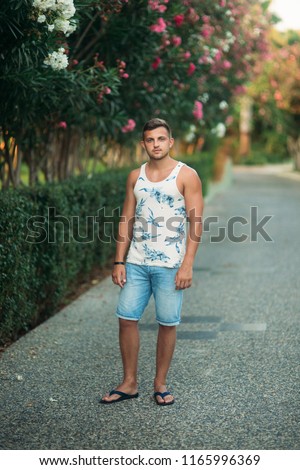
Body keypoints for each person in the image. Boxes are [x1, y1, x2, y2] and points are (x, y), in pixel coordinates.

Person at [100, 118, 203, 405]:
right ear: (143, 143)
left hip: (171, 265)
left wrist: (188, 264)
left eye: (161, 139)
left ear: (170, 142)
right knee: (126, 317)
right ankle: (129, 383)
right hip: (136, 262)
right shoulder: (136, 176)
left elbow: (196, 223)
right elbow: (126, 220)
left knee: (167, 322)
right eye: (149, 139)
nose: (155, 144)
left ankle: (160, 384)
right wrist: (118, 261)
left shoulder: (187, 175)